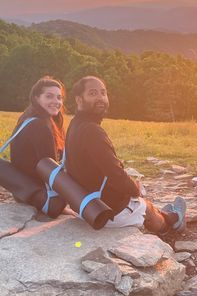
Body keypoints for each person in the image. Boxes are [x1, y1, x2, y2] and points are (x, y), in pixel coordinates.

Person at [65, 76, 186, 234]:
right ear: (79, 99)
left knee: (139, 199)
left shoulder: (75, 125)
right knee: (145, 205)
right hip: (106, 211)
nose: (101, 98)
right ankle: (170, 225)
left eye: (103, 93)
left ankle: (165, 214)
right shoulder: (92, 131)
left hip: (84, 205)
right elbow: (115, 174)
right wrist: (135, 189)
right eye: (93, 93)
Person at [9, 76, 68, 216]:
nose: (56, 102)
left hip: (22, 191)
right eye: (49, 96)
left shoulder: (28, 117)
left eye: (59, 98)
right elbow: (52, 173)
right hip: (42, 196)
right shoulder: (41, 126)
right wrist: (64, 206)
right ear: (36, 98)